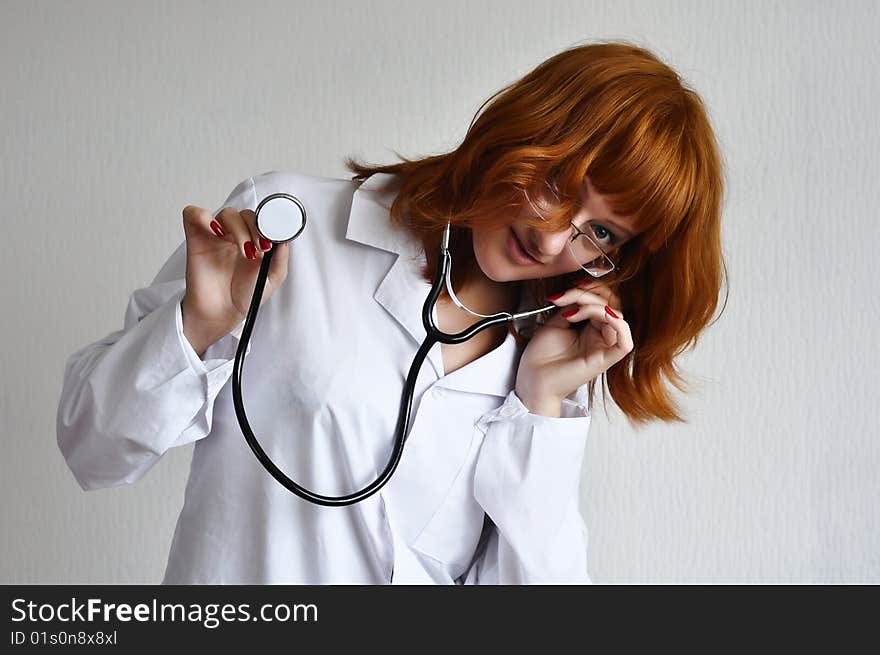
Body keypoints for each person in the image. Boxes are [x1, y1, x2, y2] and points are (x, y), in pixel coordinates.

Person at [56, 41, 727, 584]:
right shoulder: (295, 227)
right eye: (556, 184)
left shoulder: (536, 362)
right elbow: (92, 446)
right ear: (524, 129)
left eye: (601, 233)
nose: (555, 240)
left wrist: (542, 403)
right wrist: (200, 324)